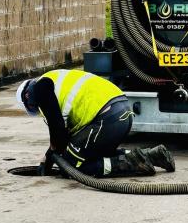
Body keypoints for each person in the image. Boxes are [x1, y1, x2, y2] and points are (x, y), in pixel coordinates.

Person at [16, 69, 175, 177]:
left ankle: (132, 165)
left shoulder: (41, 88)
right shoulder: (55, 79)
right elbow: (63, 137)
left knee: (71, 167)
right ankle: (153, 156)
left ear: (27, 95)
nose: (35, 109)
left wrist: (51, 156)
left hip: (106, 116)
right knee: (89, 153)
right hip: (121, 111)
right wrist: (49, 157)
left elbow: (57, 130)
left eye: (31, 107)